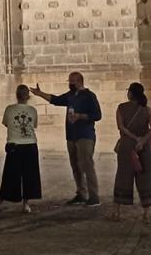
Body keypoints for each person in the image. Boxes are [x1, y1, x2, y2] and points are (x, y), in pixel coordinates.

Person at [31, 72, 102, 206]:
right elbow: (56, 100)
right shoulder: (70, 96)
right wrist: (40, 94)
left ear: (80, 81)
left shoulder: (89, 96)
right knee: (75, 166)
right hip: (71, 136)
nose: (70, 84)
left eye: (73, 82)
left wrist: (80, 116)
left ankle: (94, 196)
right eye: (69, 81)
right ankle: (81, 193)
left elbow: (97, 115)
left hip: (85, 136)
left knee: (87, 165)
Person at [110, 82, 151, 222]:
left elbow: (121, 127)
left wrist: (134, 138)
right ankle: (147, 214)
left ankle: (117, 212)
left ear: (130, 93)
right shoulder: (147, 110)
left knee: (123, 176)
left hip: (127, 146)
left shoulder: (121, 108)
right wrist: (142, 140)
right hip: (144, 146)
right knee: (146, 177)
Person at [0, 84, 41, 213]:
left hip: (15, 145)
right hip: (30, 144)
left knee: (10, 175)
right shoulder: (32, 110)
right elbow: (33, 125)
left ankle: (0, 202)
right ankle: (26, 204)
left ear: (16, 95)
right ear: (28, 97)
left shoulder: (9, 109)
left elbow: (7, 124)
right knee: (29, 175)